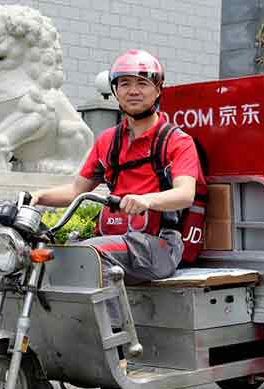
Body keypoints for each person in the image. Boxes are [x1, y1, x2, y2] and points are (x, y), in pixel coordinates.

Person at [30, 49, 206, 284]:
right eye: (125, 84)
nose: (133, 91)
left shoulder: (176, 141)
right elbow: (75, 191)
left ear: (158, 90)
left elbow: (185, 194)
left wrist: (147, 200)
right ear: (115, 91)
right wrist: (37, 196)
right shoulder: (108, 140)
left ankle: (111, 312)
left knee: (89, 256)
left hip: (159, 245)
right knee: (42, 258)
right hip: (115, 237)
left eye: (142, 83)